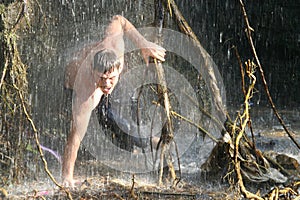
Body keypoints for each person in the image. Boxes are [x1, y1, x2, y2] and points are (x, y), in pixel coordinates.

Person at [62, 15, 166, 187]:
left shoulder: (116, 45)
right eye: (102, 78)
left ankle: (145, 141)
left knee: (126, 102)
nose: (107, 84)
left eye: (111, 78)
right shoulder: (87, 92)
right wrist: (67, 177)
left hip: (100, 72)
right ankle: (146, 141)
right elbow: (75, 137)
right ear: (93, 72)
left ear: (119, 67)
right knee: (107, 119)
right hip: (73, 85)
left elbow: (120, 19)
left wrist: (143, 44)